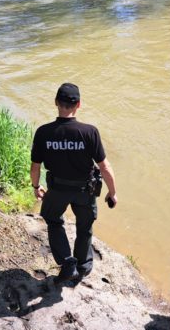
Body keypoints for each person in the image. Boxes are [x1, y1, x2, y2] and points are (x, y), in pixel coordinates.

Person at [30, 83, 117, 283]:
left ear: (55, 103)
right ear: (78, 104)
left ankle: (67, 262)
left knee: (53, 220)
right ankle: (83, 266)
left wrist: (36, 187)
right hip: (84, 191)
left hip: (57, 189)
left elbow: (35, 167)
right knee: (85, 226)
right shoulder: (89, 132)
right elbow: (105, 167)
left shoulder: (43, 132)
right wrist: (112, 193)